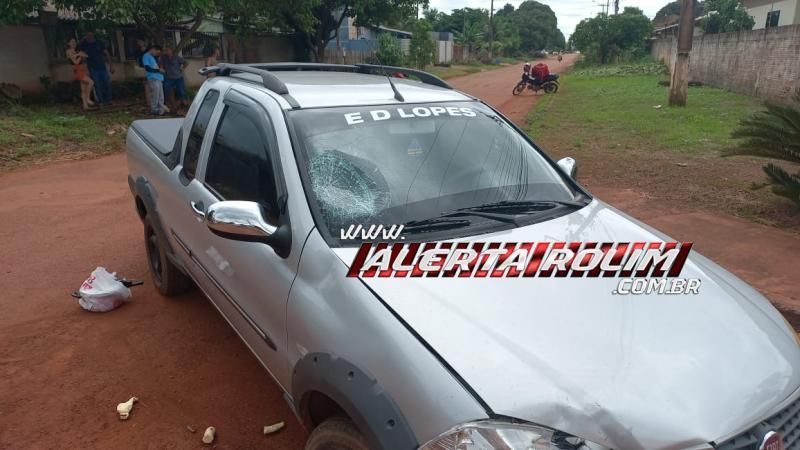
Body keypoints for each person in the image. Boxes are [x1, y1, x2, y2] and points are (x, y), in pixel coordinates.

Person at [79, 32, 114, 105]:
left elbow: (107, 54)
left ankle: (109, 100)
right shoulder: (84, 44)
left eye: (91, 35)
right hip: (92, 68)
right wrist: (85, 68)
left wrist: (111, 66)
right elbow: (82, 56)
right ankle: (101, 101)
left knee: (107, 83)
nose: (90, 37)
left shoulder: (99, 43)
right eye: (88, 35)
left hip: (102, 67)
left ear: (93, 36)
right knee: (97, 84)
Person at [66, 37, 95, 110]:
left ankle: (85, 106)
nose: (74, 43)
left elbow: (87, 56)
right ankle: (88, 99)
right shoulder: (68, 51)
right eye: (72, 42)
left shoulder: (77, 51)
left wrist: (81, 54)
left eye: (75, 42)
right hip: (77, 70)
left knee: (83, 89)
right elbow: (75, 62)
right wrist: (80, 56)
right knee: (91, 82)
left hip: (82, 69)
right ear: (68, 43)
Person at [142, 45, 166, 115]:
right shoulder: (146, 56)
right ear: (153, 49)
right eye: (156, 52)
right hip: (153, 78)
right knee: (155, 95)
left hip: (159, 78)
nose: (156, 54)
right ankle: (154, 109)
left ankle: (161, 109)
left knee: (161, 96)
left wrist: (160, 70)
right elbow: (147, 68)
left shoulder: (152, 57)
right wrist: (159, 70)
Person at [134, 38, 151, 106]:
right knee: (142, 84)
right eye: (138, 42)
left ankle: (149, 99)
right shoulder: (137, 52)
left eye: (141, 42)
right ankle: (142, 98)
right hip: (142, 68)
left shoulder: (148, 51)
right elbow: (137, 60)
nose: (139, 43)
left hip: (149, 68)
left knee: (149, 83)